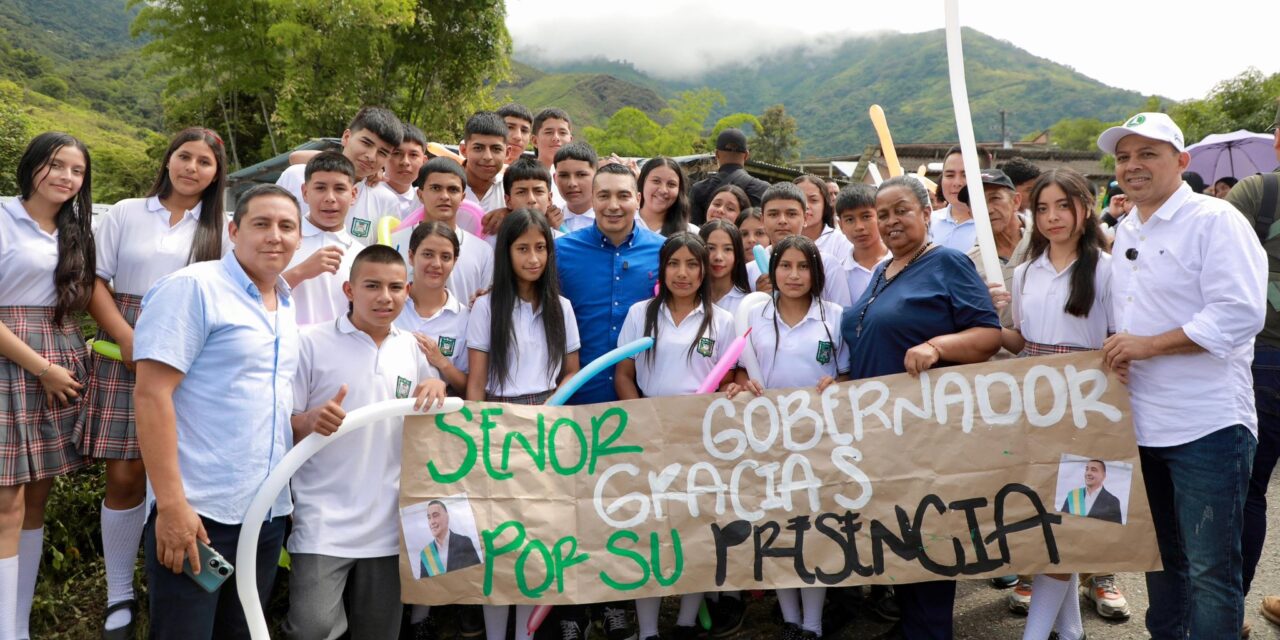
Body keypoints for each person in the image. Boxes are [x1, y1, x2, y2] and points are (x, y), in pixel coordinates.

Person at [1096, 112, 1267, 638]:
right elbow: (1126, 313)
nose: (1133, 166)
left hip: (1207, 426)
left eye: (1148, 153)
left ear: (1181, 160)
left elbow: (1240, 313)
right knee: (1162, 559)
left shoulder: (1216, 220)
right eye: (1124, 157)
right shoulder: (1126, 227)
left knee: (1212, 570)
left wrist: (1146, 345)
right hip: (1143, 424)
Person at [76, 127, 227, 637]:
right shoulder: (125, 213)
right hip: (127, 341)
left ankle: (177, 574)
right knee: (125, 472)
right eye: (184, 156)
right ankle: (119, 592)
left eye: (204, 162)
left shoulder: (222, 227)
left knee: (182, 469)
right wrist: (128, 338)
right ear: (168, 161)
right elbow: (94, 281)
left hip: (196, 348)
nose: (191, 168)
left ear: (216, 174)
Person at [133, 184, 302, 638]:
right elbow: (151, 396)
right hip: (199, 515)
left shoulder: (285, 302)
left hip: (265, 515)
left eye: (287, 226)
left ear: (300, 239)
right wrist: (171, 506)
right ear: (233, 230)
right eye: (261, 224)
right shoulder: (193, 288)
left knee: (242, 632)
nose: (275, 236)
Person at [839, 175, 1002, 639]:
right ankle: (911, 625)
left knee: (929, 532)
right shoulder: (881, 272)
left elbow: (988, 335)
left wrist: (937, 345)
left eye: (901, 211)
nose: (891, 221)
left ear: (926, 214)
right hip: (878, 430)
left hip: (925, 430)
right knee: (898, 533)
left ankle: (930, 631)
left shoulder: (947, 262)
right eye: (882, 213)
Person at [284, 245, 447, 640]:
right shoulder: (309, 342)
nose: (384, 297)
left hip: (391, 521)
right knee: (313, 627)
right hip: (322, 516)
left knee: (379, 632)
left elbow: (432, 420)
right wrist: (310, 420)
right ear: (349, 289)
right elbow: (281, 423)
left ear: (407, 291)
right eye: (372, 285)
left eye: (394, 287)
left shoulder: (412, 348)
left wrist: (437, 381)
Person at [989, 167, 1128, 623]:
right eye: (1043, 208)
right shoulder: (1025, 272)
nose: (1052, 217)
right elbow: (1020, 339)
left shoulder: (1110, 270)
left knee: (1075, 525)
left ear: (1085, 209)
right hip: (1037, 405)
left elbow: (1119, 339)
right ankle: (1069, 633)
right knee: (1050, 523)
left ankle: (1037, 634)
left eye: (1063, 206)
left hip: (1090, 406)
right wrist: (992, 322)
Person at [615, 233, 740, 640]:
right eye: (674, 264)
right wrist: (643, 421)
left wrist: (731, 391)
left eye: (692, 264)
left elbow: (734, 374)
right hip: (649, 431)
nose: (683, 273)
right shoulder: (641, 313)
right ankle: (648, 629)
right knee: (648, 530)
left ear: (704, 270)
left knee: (698, 528)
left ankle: (686, 622)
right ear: (662, 269)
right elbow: (624, 373)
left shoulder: (721, 320)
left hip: (702, 436)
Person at [0, 132, 95, 640]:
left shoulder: (74, 231)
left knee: (38, 498)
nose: (65, 177)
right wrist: (41, 368)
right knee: (6, 501)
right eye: (55, 165)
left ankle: (18, 623)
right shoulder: (2, 216)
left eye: (76, 171)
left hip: (61, 360)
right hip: (17, 362)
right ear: (32, 165)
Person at [733, 235, 850, 640]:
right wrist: (742, 383)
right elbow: (740, 369)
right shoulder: (754, 315)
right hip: (765, 439)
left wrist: (837, 382)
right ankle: (790, 619)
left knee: (815, 527)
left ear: (817, 273)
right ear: (773, 271)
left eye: (804, 267)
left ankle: (813, 624)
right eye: (786, 266)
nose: (794, 275)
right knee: (777, 528)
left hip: (820, 442)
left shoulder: (835, 316)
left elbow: (849, 375)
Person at [1224, 100, 1280, 627]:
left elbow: (1214, 271)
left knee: (1248, 489)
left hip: (1265, 358)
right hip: (1264, 358)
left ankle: (1228, 611)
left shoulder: (1257, 192)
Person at [556, 163, 663, 405]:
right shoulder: (561, 251)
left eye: (623, 196)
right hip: (575, 396)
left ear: (637, 200)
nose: (613, 205)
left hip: (642, 400)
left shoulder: (665, 251)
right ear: (592, 199)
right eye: (604, 196)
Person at [275, 106, 403, 244]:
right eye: (366, 143)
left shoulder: (386, 201)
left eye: (382, 153)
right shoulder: (295, 176)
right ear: (346, 137)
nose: (371, 156)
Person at [282, 151, 362, 325]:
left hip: (342, 350)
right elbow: (251, 295)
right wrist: (301, 272)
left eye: (340, 189)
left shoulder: (361, 254)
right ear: (305, 192)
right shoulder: (279, 242)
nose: (330, 198)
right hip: (288, 349)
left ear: (354, 194)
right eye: (320, 188)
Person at [746, 183, 852, 308]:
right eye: (773, 214)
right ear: (763, 220)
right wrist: (759, 297)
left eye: (791, 214)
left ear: (805, 218)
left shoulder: (827, 265)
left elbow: (842, 317)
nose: (782, 221)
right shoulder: (750, 270)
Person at [959, 169, 1032, 335]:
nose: (988, 209)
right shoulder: (968, 264)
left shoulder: (1047, 243)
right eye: (978, 203)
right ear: (971, 214)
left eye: (995, 198)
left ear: (1016, 201)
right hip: (1000, 357)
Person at [413, 157, 494, 306]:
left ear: (462, 197)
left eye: (453, 190)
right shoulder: (394, 242)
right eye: (435, 188)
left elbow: (486, 306)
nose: (444, 196)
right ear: (420, 195)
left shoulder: (483, 251)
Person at [689, 129, 770, 224]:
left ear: (717, 154)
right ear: (746, 155)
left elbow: (693, 229)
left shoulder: (699, 189)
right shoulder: (763, 189)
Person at [931, 145, 993, 252]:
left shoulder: (993, 226)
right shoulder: (927, 222)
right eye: (950, 175)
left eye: (966, 175)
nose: (957, 183)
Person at [834, 182, 889, 302]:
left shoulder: (902, 263)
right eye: (849, 219)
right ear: (840, 225)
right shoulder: (838, 273)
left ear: (880, 216)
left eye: (866, 217)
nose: (859, 227)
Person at [794, 174, 854, 264]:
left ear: (825, 205)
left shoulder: (841, 242)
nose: (806, 206)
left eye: (813, 200)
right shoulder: (782, 240)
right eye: (800, 200)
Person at [460, 111, 509, 216]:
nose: (487, 157)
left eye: (496, 149)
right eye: (478, 148)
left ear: (507, 153)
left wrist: (511, 214)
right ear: (464, 150)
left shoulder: (511, 190)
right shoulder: (441, 187)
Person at [699, 220, 752, 315]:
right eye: (710, 248)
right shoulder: (688, 298)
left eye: (727, 249)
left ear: (737, 255)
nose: (718, 257)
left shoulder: (747, 304)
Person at [637, 157, 697, 235]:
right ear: (642, 182)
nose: (663, 190)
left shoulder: (690, 233)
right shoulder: (624, 224)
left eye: (671, 184)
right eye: (656, 181)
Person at [420, 500, 481, 575]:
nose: (432, 522)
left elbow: (477, 573)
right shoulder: (426, 553)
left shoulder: (464, 543)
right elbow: (424, 584)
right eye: (429, 518)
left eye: (435, 515)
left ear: (447, 517)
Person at [554, 141, 599, 233]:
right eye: (564, 175)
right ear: (555, 179)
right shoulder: (548, 222)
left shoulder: (611, 222)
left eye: (581, 175)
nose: (572, 183)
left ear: (597, 177)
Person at [387, 123, 429, 217]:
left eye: (413, 155)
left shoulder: (424, 202)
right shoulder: (363, 191)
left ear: (424, 161)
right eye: (397, 153)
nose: (405, 162)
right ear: (384, 155)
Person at [533, 108, 572, 176]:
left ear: (570, 140)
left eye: (562, 133)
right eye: (549, 132)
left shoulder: (578, 178)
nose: (556, 138)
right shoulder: (520, 175)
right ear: (535, 141)